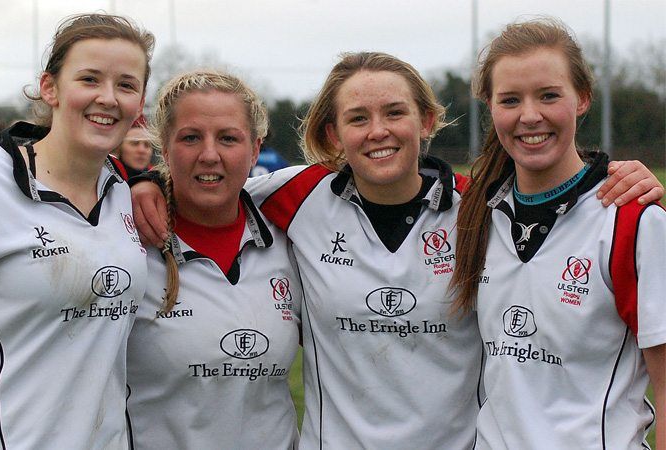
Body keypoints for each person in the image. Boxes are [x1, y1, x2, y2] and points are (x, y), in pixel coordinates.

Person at [131, 52, 663, 449]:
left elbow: (556, 195)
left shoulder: (481, 210)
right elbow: (212, 185)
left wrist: (617, 178)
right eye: (358, 118)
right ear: (334, 133)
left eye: (394, 112)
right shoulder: (296, 196)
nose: (378, 131)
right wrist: (145, 183)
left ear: (426, 121)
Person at [451, 18, 665, 449]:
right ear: (490, 106)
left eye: (548, 95)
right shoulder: (474, 215)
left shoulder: (634, 221)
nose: (530, 116)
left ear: (582, 98)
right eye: (510, 100)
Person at [0, 13, 152, 449]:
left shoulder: (125, 189)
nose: (108, 98)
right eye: (89, 79)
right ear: (50, 87)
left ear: (140, 103)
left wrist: (152, 182)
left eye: (126, 85)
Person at [125, 70, 301, 449]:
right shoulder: (127, 242)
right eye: (190, 138)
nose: (209, 155)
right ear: (165, 149)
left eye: (228, 138)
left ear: (255, 149)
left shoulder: (293, 238)